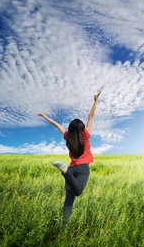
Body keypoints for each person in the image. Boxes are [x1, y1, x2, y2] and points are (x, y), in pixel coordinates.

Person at [37, 92, 101, 225]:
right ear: (82, 129)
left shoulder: (68, 137)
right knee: (78, 191)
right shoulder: (85, 135)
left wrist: (45, 117)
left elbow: (56, 125)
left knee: (69, 199)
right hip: (81, 169)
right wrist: (95, 101)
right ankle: (63, 169)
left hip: (72, 169)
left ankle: (65, 226)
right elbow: (91, 116)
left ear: (71, 130)